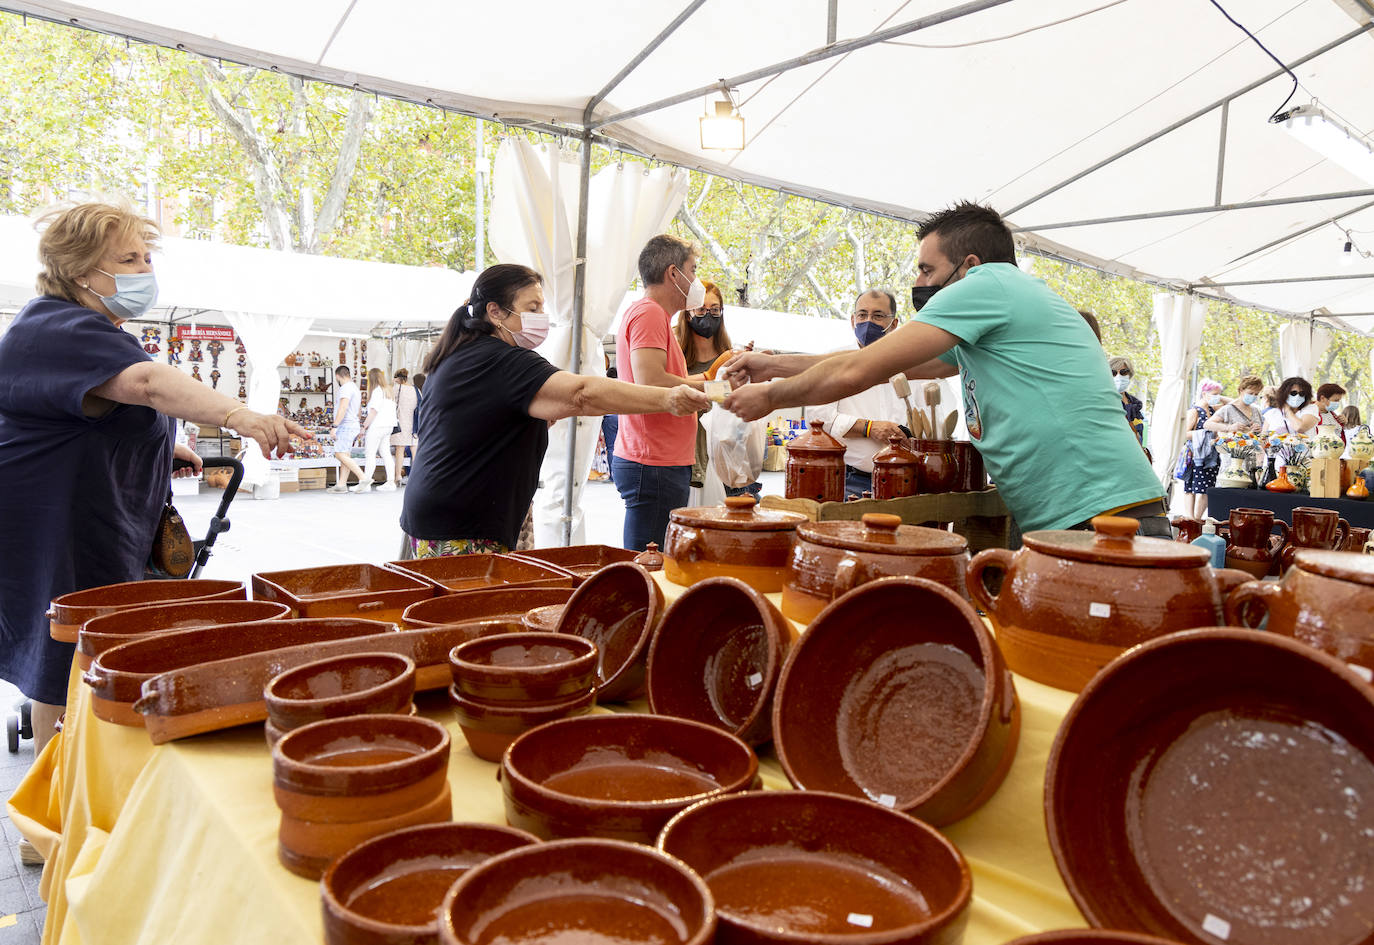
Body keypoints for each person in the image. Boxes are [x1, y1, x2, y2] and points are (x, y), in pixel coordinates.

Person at [0, 200, 308, 763]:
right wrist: (239, 415)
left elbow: (97, 410)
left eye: (146, 256)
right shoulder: (58, 326)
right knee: (66, 654)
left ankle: (86, 784)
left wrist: (167, 446)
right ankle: (57, 820)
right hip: (61, 524)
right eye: (128, 258)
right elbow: (144, 383)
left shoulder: (87, 326)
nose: (145, 269)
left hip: (93, 514)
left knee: (89, 643)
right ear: (79, 271)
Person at [722, 201, 1168, 538]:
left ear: (969, 265)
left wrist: (771, 398)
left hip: (1101, 516)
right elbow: (882, 366)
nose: (919, 283)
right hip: (1086, 512)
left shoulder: (987, 285)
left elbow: (858, 370)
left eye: (927, 269)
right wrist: (771, 365)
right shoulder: (1007, 308)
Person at [400, 263, 708, 557]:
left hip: (446, 513)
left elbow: (507, 422)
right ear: (494, 312)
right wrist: (668, 399)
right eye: (532, 308)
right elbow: (582, 394)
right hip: (462, 525)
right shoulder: (502, 361)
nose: (542, 317)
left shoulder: (463, 355)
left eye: (542, 308)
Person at [614, 234, 709, 550]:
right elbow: (651, 379)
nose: (696, 280)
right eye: (692, 270)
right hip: (653, 461)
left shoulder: (650, 314)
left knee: (651, 560)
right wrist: (711, 389)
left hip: (658, 459)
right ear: (673, 273)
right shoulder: (650, 312)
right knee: (647, 564)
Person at [808, 289, 911, 499]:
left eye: (878, 316)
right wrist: (870, 428)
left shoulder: (911, 364)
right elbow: (817, 418)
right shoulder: (834, 361)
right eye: (862, 315)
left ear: (895, 323)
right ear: (853, 320)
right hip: (849, 481)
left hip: (904, 480)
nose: (868, 322)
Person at [674, 281, 758, 500]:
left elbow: (728, 405)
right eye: (701, 309)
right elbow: (668, 388)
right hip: (682, 456)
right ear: (687, 312)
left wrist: (745, 375)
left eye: (714, 309)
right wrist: (713, 376)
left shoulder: (728, 355)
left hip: (721, 457)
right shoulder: (675, 352)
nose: (708, 315)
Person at [1178, 379, 1223, 519]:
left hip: (1210, 455)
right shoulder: (1194, 411)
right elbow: (1184, 433)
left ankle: (1197, 520)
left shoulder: (1212, 409)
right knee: (1191, 487)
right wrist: (1205, 434)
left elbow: (1233, 403)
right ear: (1204, 393)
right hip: (1196, 454)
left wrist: (1219, 397)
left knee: (1207, 488)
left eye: (1219, 394)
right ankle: (1190, 519)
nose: (1218, 397)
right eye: (1215, 394)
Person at [355, 367, 398, 492]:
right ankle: (391, 482)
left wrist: (364, 427)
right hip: (388, 426)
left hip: (377, 426)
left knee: (370, 454)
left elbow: (373, 412)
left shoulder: (377, 392)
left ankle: (365, 483)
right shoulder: (388, 391)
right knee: (386, 453)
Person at [327, 365, 366, 492]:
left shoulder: (345, 388)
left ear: (337, 376)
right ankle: (341, 485)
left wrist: (334, 426)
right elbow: (359, 410)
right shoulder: (354, 387)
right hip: (352, 424)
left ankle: (363, 477)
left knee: (339, 454)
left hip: (346, 425)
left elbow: (342, 408)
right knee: (345, 455)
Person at [390, 368, 418, 484]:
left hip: (401, 422)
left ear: (397, 378)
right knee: (414, 450)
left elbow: (391, 403)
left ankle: (397, 476)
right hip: (414, 424)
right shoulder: (415, 389)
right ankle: (417, 476)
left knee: (399, 450)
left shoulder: (397, 388)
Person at [1109, 356, 1145, 444]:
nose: (1118, 376)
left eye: (1123, 372)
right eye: (1113, 373)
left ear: (1130, 375)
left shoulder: (1135, 404)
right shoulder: (1105, 402)